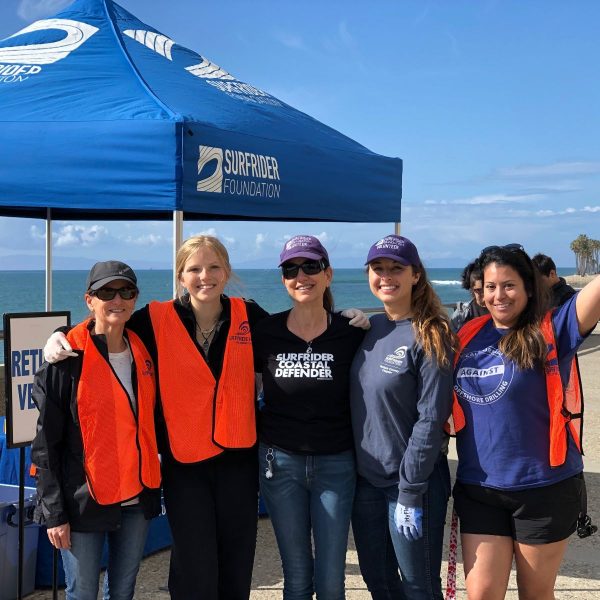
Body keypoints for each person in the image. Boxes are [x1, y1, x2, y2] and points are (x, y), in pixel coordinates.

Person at [44, 235, 368, 600]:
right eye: (194, 269)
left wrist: (343, 316)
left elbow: (297, 329)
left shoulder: (251, 316)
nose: (205, 276)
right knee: (194, 566)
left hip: (238, 462)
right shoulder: (155, 318)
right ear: (181, 276)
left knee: (236, 561)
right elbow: (106, 324)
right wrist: (59, 335)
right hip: (185, 466)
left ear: (227, 272)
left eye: (214, 267)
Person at [450, 244, 600, 600]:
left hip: (543, 487)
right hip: (480, 487)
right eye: (490, 287)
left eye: (509, 285)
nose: (498, 295)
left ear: (529, 288)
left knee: (534, 593)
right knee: (482, 594)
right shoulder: (467, 335)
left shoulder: (551, 329)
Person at [31, 261, 162, 600]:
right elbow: (46, 445)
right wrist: (54, 514)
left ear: (135, 299)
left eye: (126, 291)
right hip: (83, 501)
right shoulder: (65, 360)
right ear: (89, 299)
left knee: (123, 590)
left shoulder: (145, 348)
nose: (117, 299)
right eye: (107, 291)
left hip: (137, 495)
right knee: (83, 592)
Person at [254, 235, 367, 600]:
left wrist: (366, 317)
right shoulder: (265, 331)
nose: (301, 276)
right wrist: (70, 334)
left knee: (331, 579)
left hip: (336, 464)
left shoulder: (350, 332)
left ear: (328, 274)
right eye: (291, 269)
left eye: (310, 266)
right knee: (297, 575)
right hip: (279, 463)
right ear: (284, 279)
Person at [350, 234, 458, 600]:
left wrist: (411, 492)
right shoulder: (368, 329)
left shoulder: (432, 333)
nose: (386, 276)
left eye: (396, 268)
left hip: (412, 485)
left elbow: (431, 419)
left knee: (418, 590)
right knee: (378, 583)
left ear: (416, 275)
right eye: (378, 268)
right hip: (366, 481)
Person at [451, 260, 488, 332]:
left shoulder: (504, 311)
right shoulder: (462, 314)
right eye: (479, 290)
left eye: (490, 288)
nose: (485, 294)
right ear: (471, 289)